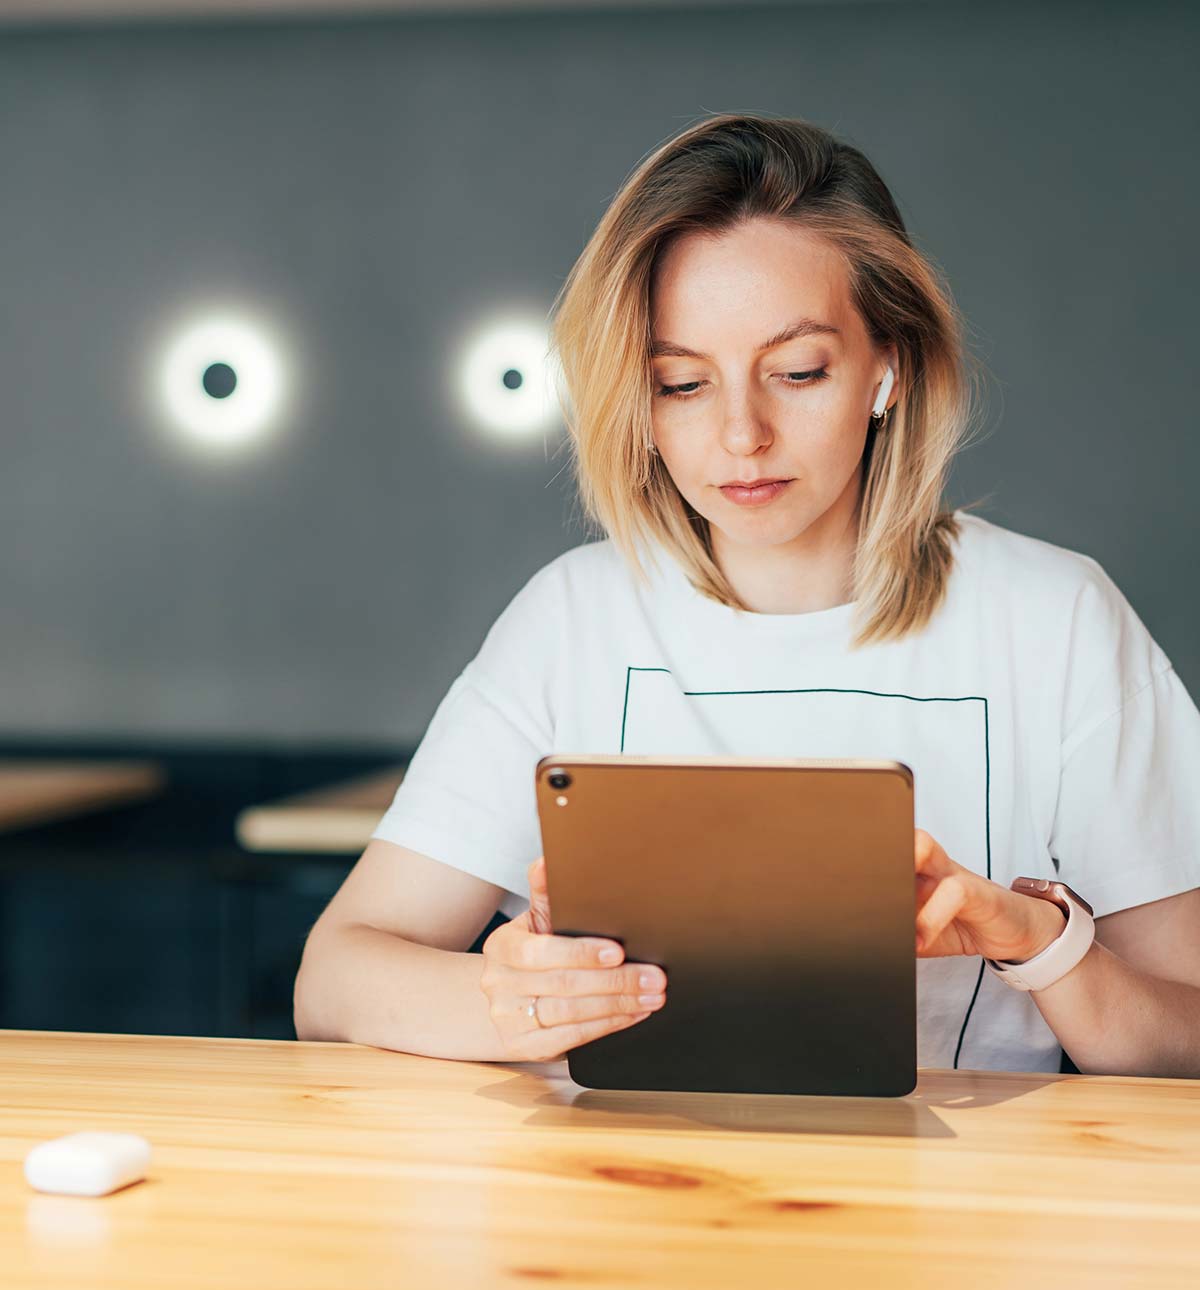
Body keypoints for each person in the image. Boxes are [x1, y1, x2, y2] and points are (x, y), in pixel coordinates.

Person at [294, 113, 1200, 1078]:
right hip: (615, 1201)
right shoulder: (575, 618)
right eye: (682, 384)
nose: (741, 435)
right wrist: (508, 1002)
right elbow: (334, 980)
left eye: (797, 372)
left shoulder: (1055, 620)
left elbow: (1186, 1038)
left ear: (887, 366)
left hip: (951, 1214)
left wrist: (1039, 944)